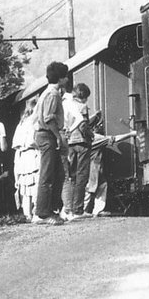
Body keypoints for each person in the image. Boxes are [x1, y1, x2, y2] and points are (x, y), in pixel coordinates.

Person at [32, 62, 69, 224]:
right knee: (47, 175)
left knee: (57, 173)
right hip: (48, 135)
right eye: (65, 76)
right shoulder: (53, 94)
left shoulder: (47, 92)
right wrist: (58, 136)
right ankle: (42, 214)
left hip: (46, 134)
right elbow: (48, 118)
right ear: (60, 78)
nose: (67, 79)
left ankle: (51, 210)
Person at [61, 82, 93, 220]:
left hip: (69, 143)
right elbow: (83, 125)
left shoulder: (67, 104)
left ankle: (69, 209)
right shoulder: (82, 106)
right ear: (84, 96)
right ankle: (78, 209)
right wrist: (91, 134)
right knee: (82, 176)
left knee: (71, 176)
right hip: (82, 142)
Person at [11, 98, 40, 220]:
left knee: (25, 185)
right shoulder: (34, 121)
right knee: (35, 183)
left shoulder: (21, 123)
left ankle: (27, 213)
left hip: (21, 156)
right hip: (33, 154)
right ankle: (36, 212)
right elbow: (34, 140)